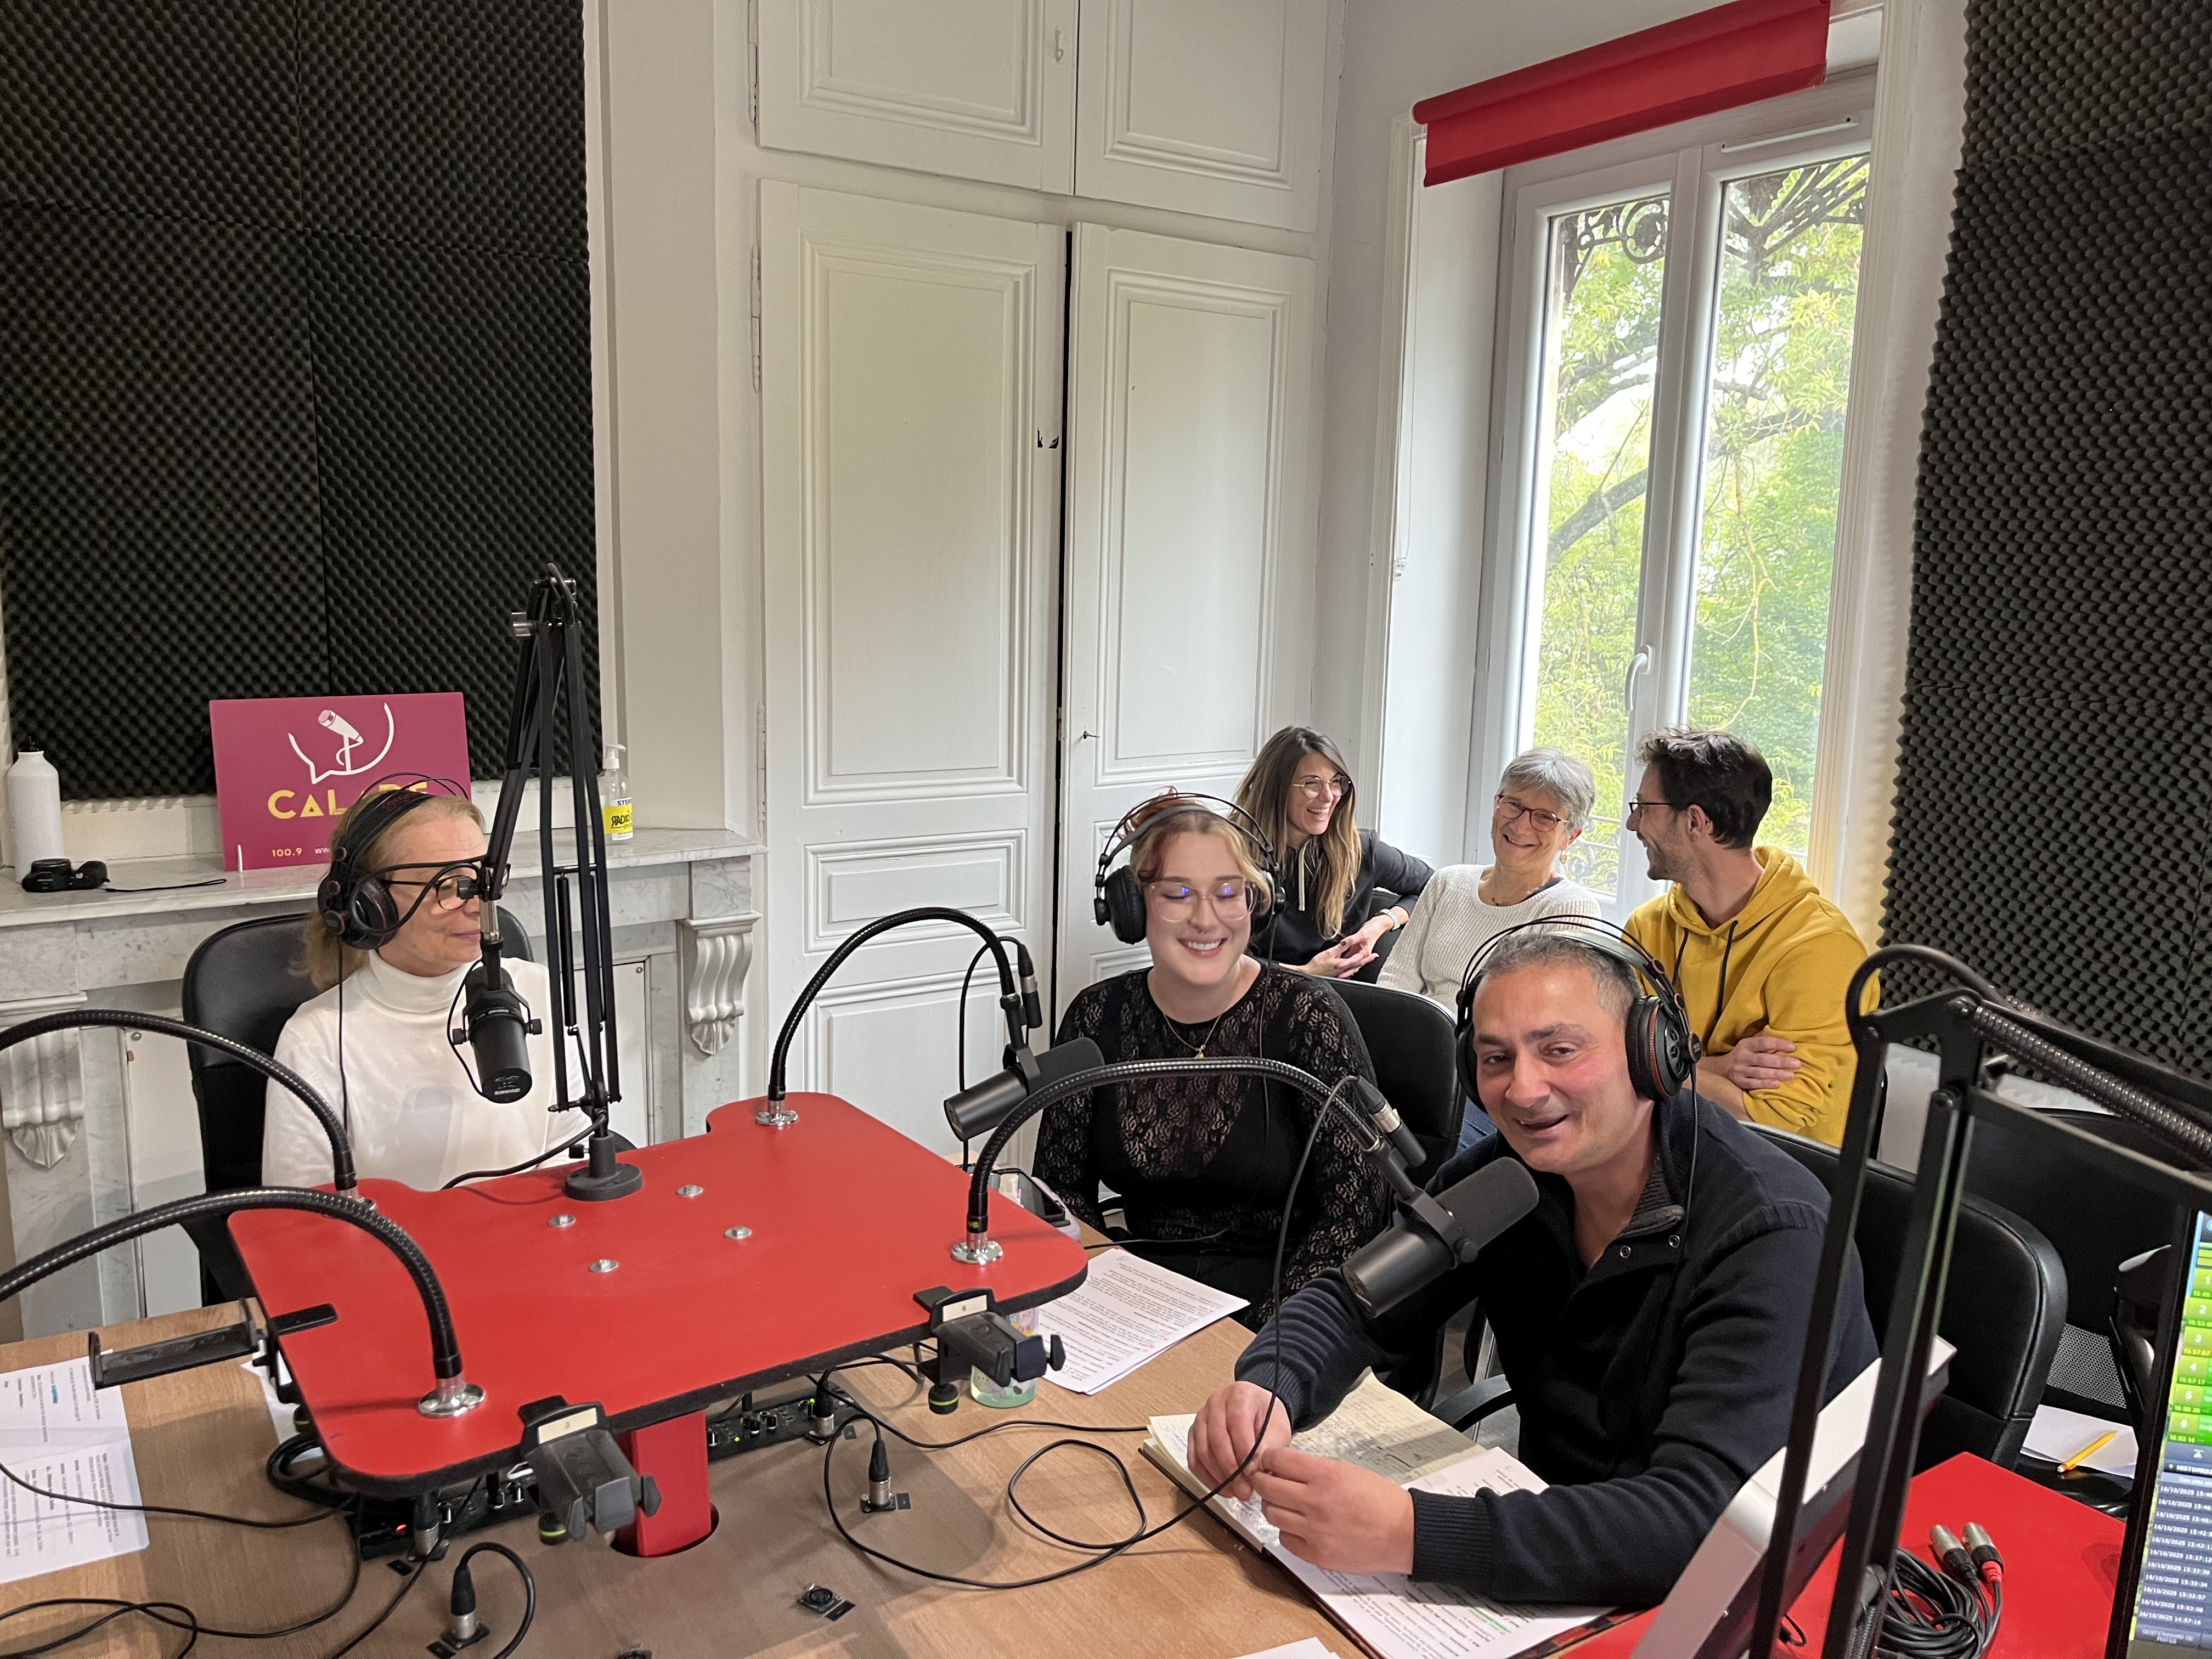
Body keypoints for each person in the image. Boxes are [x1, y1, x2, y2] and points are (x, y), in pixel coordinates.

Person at [1185, 929, 1877, 1607]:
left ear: (1652, 1053)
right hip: (1562, 1559)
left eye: (1560, 1050)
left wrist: (1412, 1533)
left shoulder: (1772, 1235)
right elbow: (1356, 1302)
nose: (1522, 1088)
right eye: (1495, 1058)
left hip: (1747, 1598)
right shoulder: (1507, 1180)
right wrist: (1268, 1388)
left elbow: (1705, 1523)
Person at [1034, 797, 1389, 1325]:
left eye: (1227, 893)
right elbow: (1058, 1188)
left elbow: (1356, 1211)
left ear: (1256, 902)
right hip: (1138, 1293)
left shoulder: (1308, 1017)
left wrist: (1268, 1334)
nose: (1206, 919)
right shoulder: (1096, 1015)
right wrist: (1106, 1288)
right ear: (1133, 907)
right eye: (1177, 894)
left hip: (1282, 1303)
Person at [262, 784, 590, 1190]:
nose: (478, 905)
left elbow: (574, 1152)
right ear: (372, 903)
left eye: (482, 880)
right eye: (446, 886)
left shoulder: (537, 990)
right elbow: (302, 1211)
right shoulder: (317, 1039)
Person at [1622, 727, 1871, 1146]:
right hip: (1660, 1155)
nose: (1633, 823)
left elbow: (1777, 1121)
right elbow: (1610, 1059)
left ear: (1696, 821)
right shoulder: (1647, 927)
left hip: (1773, 1176)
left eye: (1644, 808)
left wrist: (1661, 1067)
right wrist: (1715, 1068)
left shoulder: (1821, 949)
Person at [1380, 748, 1603, 1008]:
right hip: (1413, 1029)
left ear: (1571, 836)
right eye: (1514, 805)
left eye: (1545, 818)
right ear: (1496, 805)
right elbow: (1396, 980)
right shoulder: (1447, 882)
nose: (1521, 827)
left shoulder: (1573, 911)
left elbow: (1548, 1015)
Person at [1236, 726, 1433, 979]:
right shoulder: (1231, 855)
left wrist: (1381, 923)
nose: (1329, 796)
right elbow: (1221, 962)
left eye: (1336, 782)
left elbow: (1434, 886)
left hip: (1346, 994)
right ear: (1276, 789)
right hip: (1260, 993)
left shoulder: (1360, 849)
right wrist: (1306, 973)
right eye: (1312, 784)